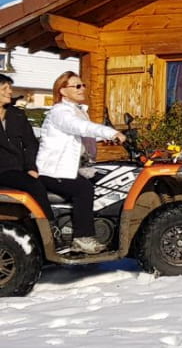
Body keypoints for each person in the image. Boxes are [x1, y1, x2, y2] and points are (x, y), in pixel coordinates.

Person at [31, 71, 122, 254]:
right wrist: (111, 133)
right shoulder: (60, 112)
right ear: (63, 91)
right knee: (83, 189)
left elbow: (79, 138)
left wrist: (104, 140)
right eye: (77, 86)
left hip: (72, 169)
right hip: (53, 171)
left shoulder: (77, 111)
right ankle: (82, 238)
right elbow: (79, 127)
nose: (82, 89)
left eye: (83, 85)